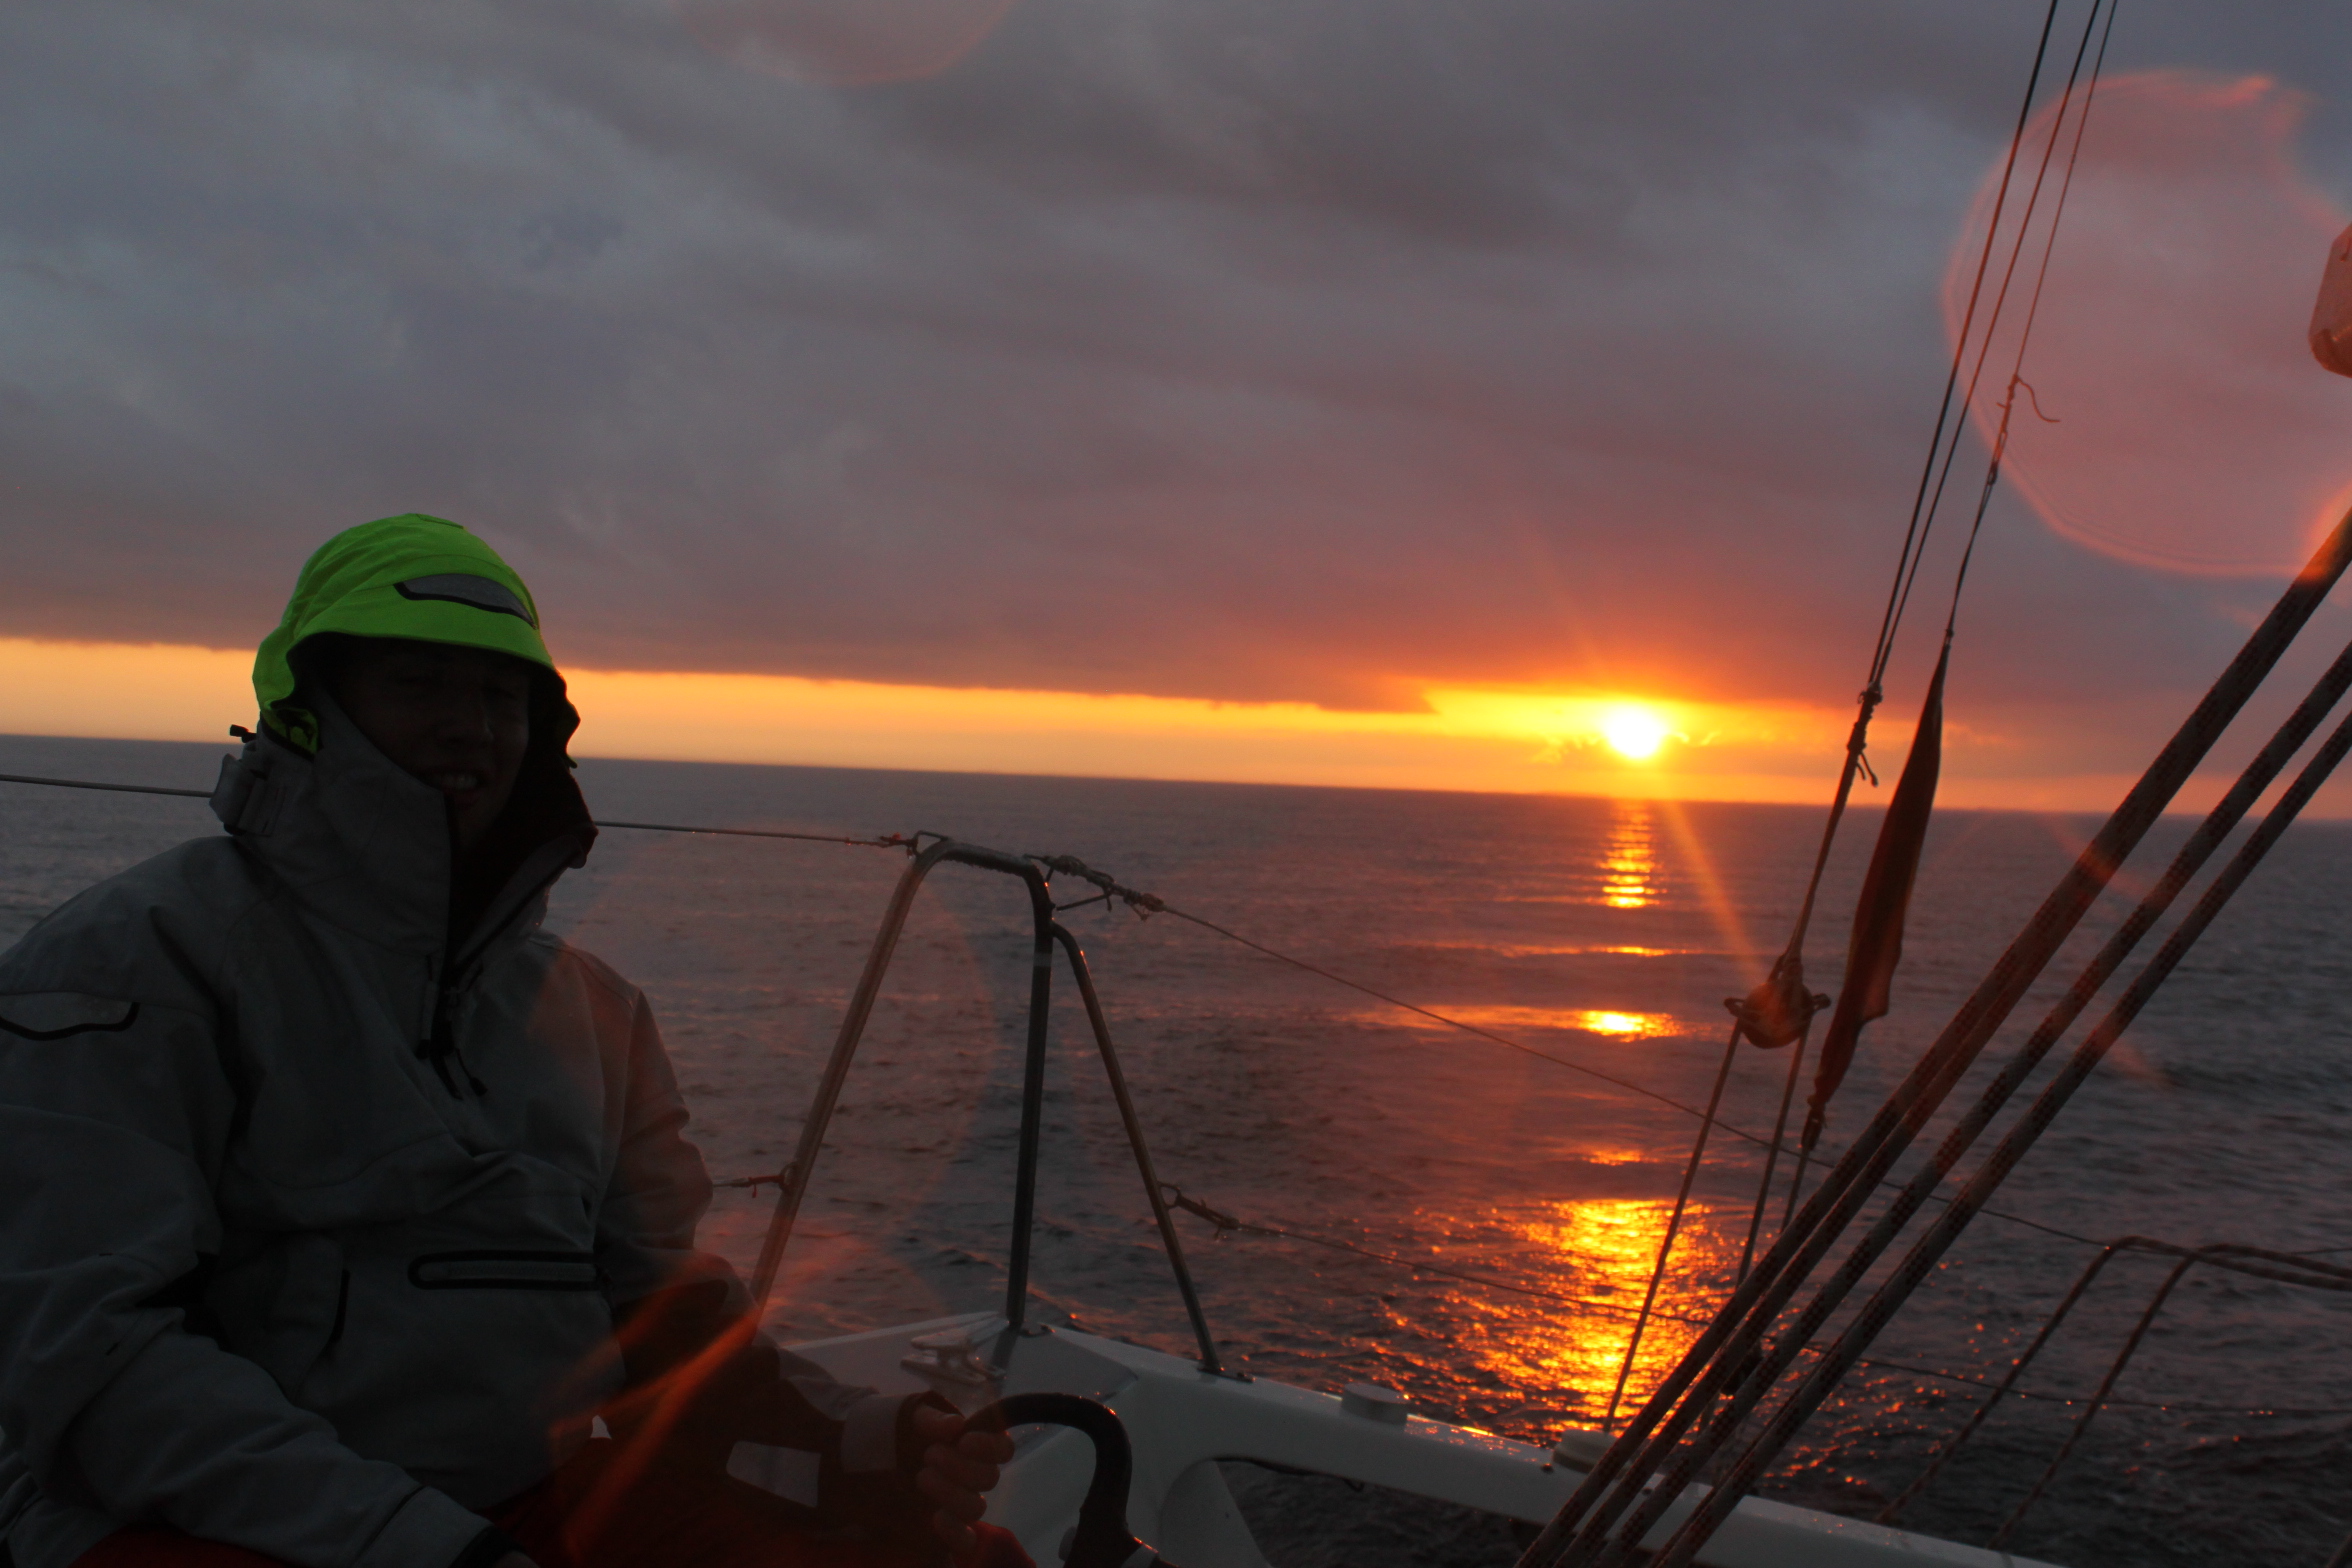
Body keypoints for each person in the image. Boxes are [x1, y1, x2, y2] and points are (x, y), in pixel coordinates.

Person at [0, 515, 1030, 1568]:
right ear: (310, 710)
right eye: (421, 685)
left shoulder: (593, 1009)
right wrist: (422, 1546)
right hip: (201, 1517)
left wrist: (863, 1438)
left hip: (508, 1508)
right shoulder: (135, 964)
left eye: (501, 697)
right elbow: (90, 1358)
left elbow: (655, 1311)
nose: (472, 727)